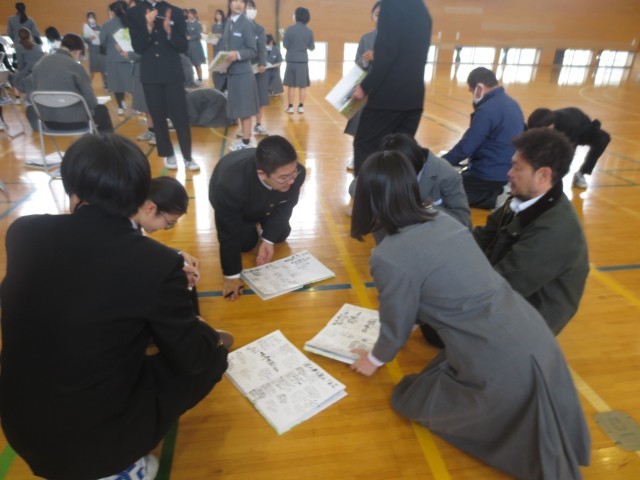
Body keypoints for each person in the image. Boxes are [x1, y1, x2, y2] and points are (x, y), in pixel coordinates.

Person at [0, 133, 230, 480]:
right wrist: (206, 333)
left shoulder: (23, 231)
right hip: (94, 446)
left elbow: (83, 278)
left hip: (20, 424)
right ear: (140, 196)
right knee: (213, 355)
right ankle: (123, 467)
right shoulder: (156, 263)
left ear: (70, 185)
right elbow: (191, 358)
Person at [349, 150, 590, 480]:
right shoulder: (440, 218)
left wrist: (375, 359)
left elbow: (396, 323)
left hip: (494, 354)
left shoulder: (387, 256)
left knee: (409, 399)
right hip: (530, 331)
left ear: (368, 200)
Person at [473, 128, 589, 335]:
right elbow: (483, 237)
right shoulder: (523, 201)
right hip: (506, 299)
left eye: (517, 168)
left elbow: (505, 284)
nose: (509, 173)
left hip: (527, 326)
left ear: (543, 175)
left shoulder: (555, 232)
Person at [208, 135, 306, 301]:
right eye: (284, 178)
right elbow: (228, 232)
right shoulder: (231, 185)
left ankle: (263, 224)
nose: (291, 181)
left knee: (280, 234)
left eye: (293, 173)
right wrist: (231, 276)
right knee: (244, 244)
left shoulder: (296, 173)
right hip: (238, 207)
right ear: (262, 173)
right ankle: (252, 223)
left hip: (268, 200)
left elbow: (285, 206)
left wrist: (268, 240)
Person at [351, 0, 431, 178]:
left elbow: (387, 54)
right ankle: (398, 194)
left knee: (366, 148)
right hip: (414, 98)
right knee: (400, 154)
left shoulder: (392, 5)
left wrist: (365, 86)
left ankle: (367, 195)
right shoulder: (422, 10)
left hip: (387, 98)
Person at [127, 0, 200, 171]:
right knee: (158, 117)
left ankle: (188, 156)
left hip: (172, 73)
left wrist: (169, 32)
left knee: (180, 117)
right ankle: (168, 154)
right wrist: (148, 26)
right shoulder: (134, 13)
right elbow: (138, 47)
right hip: (150, 74)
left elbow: (183, 46)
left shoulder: (175, 11)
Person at [442, 67, 525, 209]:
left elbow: (466, 147)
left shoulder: (487, 109)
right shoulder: (512, 103)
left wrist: (441, 163)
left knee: (445, 191)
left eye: (472, 91)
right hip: (507, 169)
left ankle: (495, 198)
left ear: (479, 88)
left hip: (488, 174)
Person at [378, 133, 470, 229]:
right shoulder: (388, 171)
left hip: (442, 232)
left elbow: (462, 219)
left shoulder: (447, 174)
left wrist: (425, 209)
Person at [30, 33, 114, 133]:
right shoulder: (76, 66)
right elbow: (91, 101)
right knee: (102, 110)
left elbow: (33, 92)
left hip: (47, 122)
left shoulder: (39, 64)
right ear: (78, 52)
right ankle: (104, 142)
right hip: (76, 122)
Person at [527, 107, 611, 189]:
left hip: (581, 131)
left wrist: (554, 179)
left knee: (603, 139)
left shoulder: (568, 125)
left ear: (551, 125)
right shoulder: (535, 124)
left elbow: (567, 155)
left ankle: (581, 173)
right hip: (564, 129)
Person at [344, 0, 380, 168]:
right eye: (377, 14)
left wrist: (378, 57)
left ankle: (379, 158)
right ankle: (357, 156)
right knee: (358, 126)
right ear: (372, 16)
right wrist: (365, 61)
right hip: (365, 89)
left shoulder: (399, 40)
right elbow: (358, 63)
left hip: (386, 91)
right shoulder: (366, 38)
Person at [220, 0, 260, 151]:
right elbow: (226, 46)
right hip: (232, 72)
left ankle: (246, 142)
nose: (239, 4)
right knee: (239, 108)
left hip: (243, 73)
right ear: (230, 3)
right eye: (235, 1)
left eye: (242, 1)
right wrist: (222, 63)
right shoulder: (228, 22)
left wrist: (237, 54)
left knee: (245, 110)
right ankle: (244, 139)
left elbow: (252, 50)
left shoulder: (246, 24)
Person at [101, 1, 133, 116]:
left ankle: (120, 106)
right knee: (132, 83)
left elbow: (102, 42)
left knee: (117, 84)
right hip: (130, 57)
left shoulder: (107, 25)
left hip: (113, 58)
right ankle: (137, 106)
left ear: (113, 11)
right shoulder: (131, 22)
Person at [282, 7, 314, 114]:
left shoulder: (289, 29)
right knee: (303, 85)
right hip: (303, 61)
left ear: (296, 16)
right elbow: (312, 47)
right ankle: (301, 107)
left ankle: (290, 107)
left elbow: (285, 45)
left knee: (291, 85)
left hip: (291, 60)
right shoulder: (309, 31)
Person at [246, 0, 270, 136]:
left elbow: (262, 48)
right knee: (245, 98)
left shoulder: (259, 28)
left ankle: (258, 125)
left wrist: (262, 63)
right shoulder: (236, 27)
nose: (251, 10)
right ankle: (244, 127)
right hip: (243, 68)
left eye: (253, 7)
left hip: (257, 68)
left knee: (259, 97)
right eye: (248, 7)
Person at [10, 26, 43, 95]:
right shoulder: (38, 47)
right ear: (30, 35)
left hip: (27, 71)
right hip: (39, 71)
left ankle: (17, 96)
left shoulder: (19, 47)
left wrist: (19, 71)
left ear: (19, 37)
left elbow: (21, 64)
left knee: (14, 79)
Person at [83, 11, 107, 85]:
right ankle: (88, 85)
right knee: (92, 70)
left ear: (95, 18)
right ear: (87, 19)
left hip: (100, 50)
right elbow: (84, 38)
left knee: (102, 69)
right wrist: (88, 39)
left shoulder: (100, 27)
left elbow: (104, 37)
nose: (91, 19)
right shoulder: (86, 28)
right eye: (89, 17)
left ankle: (105, 85)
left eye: (92, 17)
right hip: (92, 51)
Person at [186, 8, 206, 84]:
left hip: (195, 46)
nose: (189, 15)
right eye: (188, 13)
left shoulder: (198, 24)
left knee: (197, 63)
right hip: (187, 46)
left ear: (194, 15)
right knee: (188, 63)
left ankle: (200, 78)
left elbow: (199, 35)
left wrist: (190, 37)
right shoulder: (186, 23)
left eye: (191, 13)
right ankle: (190, 78)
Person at [210, 9, 226, 91]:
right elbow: (211, 37)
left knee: (222, 68)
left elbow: (227, 35)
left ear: (222, 15)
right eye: (216, 14)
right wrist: (210, 38)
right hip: (215, 48)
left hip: (223, 47)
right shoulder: (213, 26)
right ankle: (217, 86)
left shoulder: (225, 25)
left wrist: (221, 35)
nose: (217, 16)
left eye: (219, 14)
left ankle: (224, 86)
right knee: (216, 68)